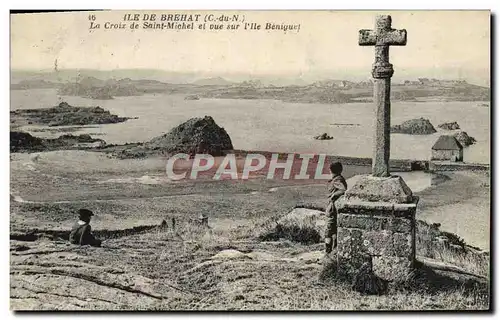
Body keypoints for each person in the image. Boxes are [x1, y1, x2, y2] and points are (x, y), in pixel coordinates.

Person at [324, 161, 347, 254]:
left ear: (331, 170)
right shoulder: (337, 179)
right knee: (333, 231)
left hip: (332, 208)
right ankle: (333, 251)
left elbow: (343, 189)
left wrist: (334, 195)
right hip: (332, 207)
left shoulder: (337, 180)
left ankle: (328, 252)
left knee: (328, 231)